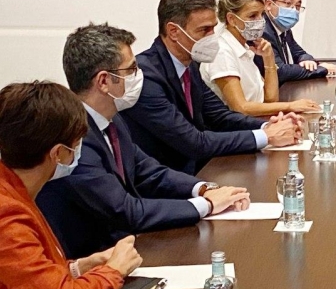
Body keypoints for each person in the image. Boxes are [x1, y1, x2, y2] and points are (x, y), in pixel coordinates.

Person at [37, 23, 252, 258]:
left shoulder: (112, 119)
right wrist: (208, 205)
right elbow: (127, 211)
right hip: (95, 261)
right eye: (131, 69)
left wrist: (204, 188)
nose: (139, 75)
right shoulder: (75, 139)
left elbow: (148, 170)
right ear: (103, 81)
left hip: (129, 246)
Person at [0, 81, 142, 289]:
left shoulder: (14, 187)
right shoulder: (6, 215)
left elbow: (31, 276)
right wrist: (114, 270)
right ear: (57, 153)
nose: (77, 153)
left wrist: (80, 267)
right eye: (76, 145)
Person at [119, 0, 303, 175]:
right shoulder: (147, 77)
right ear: (174, 31)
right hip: (168, 180)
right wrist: (266, 136)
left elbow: (219, 116)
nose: (212, 37)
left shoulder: (189, 64)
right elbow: (193, 142)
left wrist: (269, 125)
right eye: (204, 30)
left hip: (200, 170)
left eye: (213, 28)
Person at [200, 0, 320, 116]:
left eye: (261, 14)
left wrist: (269, 58)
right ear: (232, 19)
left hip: (255, 122)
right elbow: (240, 108)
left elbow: (270, 99)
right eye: (252, 16)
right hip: (235, 131)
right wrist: (290, 106)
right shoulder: (221, 51)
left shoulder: (245, 48)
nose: (260, 21)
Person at [259, 0, 336, 84]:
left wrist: (306, 60)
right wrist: (321, 69)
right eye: (288, 3)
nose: (293, 10)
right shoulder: (262, 31)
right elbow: (280, 71)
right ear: (268, 4)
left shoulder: (284, 29)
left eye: (297, 6)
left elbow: (299, 53)